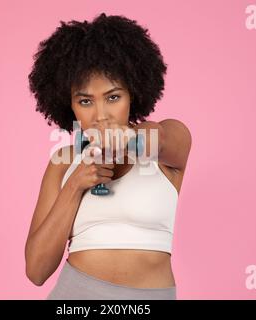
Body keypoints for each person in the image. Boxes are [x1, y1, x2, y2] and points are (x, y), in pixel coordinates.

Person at [25, 12, 192, 300]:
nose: (101, 115)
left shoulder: (166, 143)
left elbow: (158, 138)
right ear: (70, 106)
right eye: (85, 101)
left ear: (134, 94)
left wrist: (127, 140)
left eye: (113, 97)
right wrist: (75, 184)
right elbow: (37, 271)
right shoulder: (64, 162)